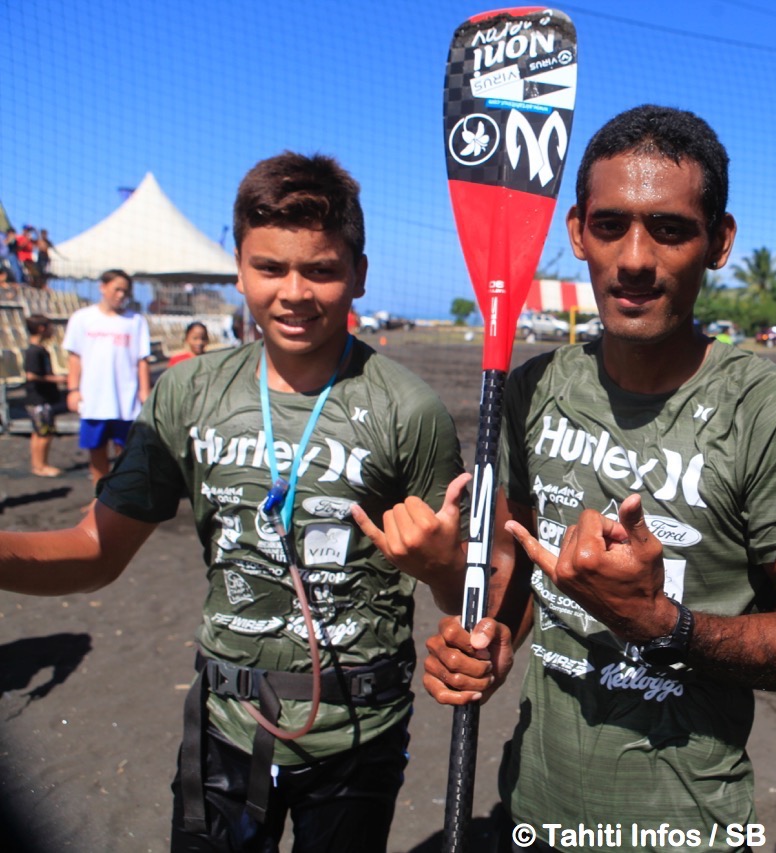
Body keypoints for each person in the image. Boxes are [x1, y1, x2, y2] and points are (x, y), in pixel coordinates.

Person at [0, 151, 468, 852]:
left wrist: (440, 567)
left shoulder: (409, 409)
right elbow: (96, 550)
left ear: (360, 274)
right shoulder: (188, 392)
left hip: (359, 736)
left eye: (321, 269)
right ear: (240, 267)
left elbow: (471, 599)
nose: (295, 292)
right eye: (270, 268)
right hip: (225, 728)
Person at [415, 105, 776, 851]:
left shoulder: (774, 415)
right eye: (612, 225)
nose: (635, 258)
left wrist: (659, 622)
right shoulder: (532, 389)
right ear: (578, 229)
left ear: (719, 241)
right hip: (531, 807)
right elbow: (517, 566)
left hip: (688, 827)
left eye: (671, 229)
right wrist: (489, 637)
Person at [63, 269, 152, 486]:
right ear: (102, 287)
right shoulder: (82, 318)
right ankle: (99, 496)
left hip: (125, 398)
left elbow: (142, 359)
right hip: (94, 398)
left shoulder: (136, 321)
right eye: (117, 289)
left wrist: (144, 392)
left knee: (126, 449)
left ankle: (123, 495)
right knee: (96, 448)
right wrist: (73, 390)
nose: (121, 295)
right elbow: (74, 358)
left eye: (126, 291)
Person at [23, 313, 65, 477]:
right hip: (39, 398)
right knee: (45, 433)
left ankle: (38, 465)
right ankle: (41, 465)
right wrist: (56, 379)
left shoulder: (40, 350)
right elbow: (31, 375)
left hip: (41, 397)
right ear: (41, 329)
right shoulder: (34, 352)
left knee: (39, 432)